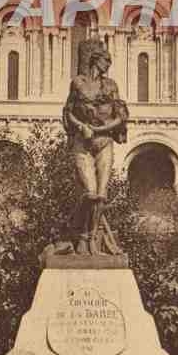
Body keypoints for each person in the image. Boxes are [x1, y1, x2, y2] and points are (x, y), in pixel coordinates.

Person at [63, 38, 129, 254]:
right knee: (89, 193)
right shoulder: (78, 83)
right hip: (83, 143)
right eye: (105, 60)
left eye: (109, 62)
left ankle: (91, 239)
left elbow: (121, 117)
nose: (108, 65)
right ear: (95, 60)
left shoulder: (110, 86)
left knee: (101, 195)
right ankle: (81, 234)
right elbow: (69, 111)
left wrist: (99, 130)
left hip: (104, 142)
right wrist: (81, 126)